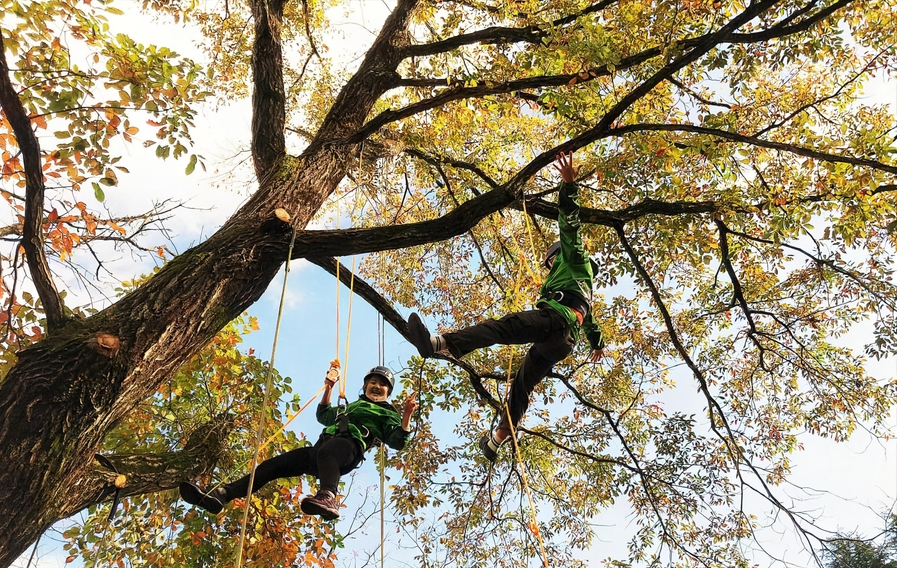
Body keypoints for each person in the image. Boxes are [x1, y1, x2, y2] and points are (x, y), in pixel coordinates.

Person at [407, 151, 605, 462]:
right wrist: (598, 344)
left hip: (554, 321)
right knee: (522, 385)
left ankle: (441, 344)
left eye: (549, 259)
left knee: (503, 328)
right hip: (561, 342)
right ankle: (499, 437)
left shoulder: (574, 259)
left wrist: (568, 186)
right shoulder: (581, 285)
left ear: (557, 256)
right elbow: (590, 322)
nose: (548, 264)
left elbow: (570, 227)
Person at [179, 364, 416, 521]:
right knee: (271, 466)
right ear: (365, 386)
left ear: (388, 392)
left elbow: (397, 441)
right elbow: (323, 416)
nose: (377, 386)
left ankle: (328, 496)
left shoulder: (388, 413)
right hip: (323, 449)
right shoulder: (350, 406)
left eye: (382, 385)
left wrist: (405, 416)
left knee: (329, 453)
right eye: (373, 382)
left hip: (349, 447)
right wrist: (329, 389)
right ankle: (223, 494)